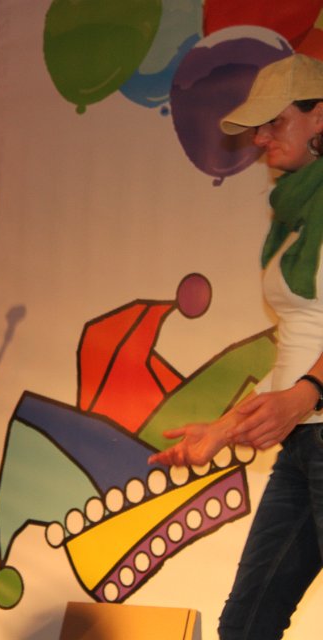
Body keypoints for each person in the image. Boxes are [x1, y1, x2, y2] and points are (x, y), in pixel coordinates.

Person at [149, 53, 323, 639]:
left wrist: (307, 394)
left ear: (320, 116)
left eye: (276, 121)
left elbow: (304, 380)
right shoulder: (298, 209)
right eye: (258, 124)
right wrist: (226, 428)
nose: (260, 136)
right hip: (305, 441)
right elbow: (301, 347)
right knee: (246, 626)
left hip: (313, 420)